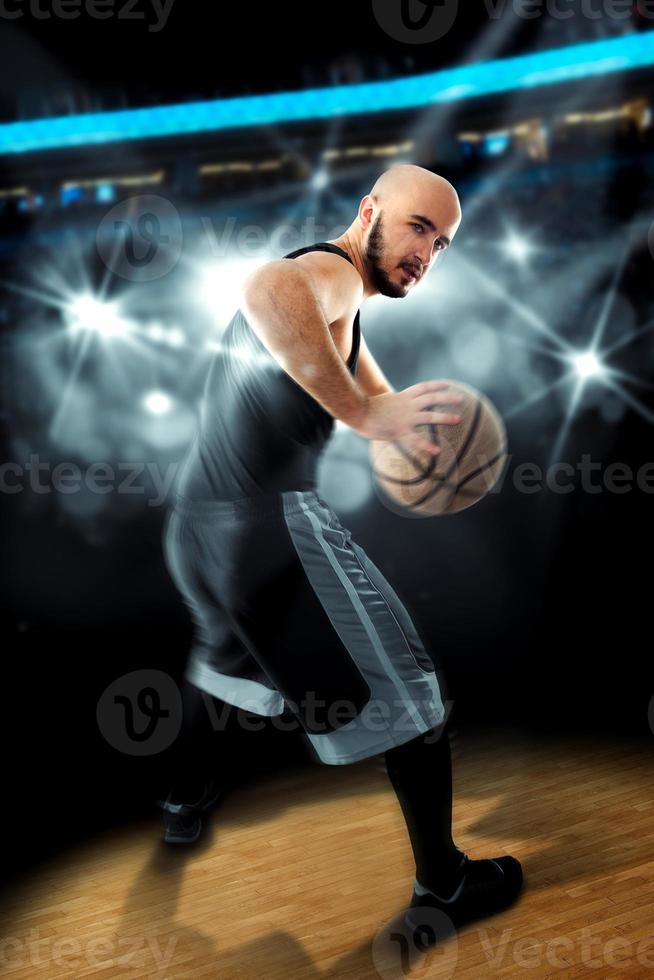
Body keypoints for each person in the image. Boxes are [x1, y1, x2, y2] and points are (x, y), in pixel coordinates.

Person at [158, 163, 523, 929]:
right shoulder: (328, 273)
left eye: (444, 242)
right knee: (415, 691)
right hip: (266, 526)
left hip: (197, 527)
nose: (428, 252)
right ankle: (446, 885)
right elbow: (265, 288)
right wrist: (363, 416)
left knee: (219, 664)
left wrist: (412, 432)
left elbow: (381, 398)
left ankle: (180, 799)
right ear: (369, 212)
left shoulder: (341, 307)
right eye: (419, 227)